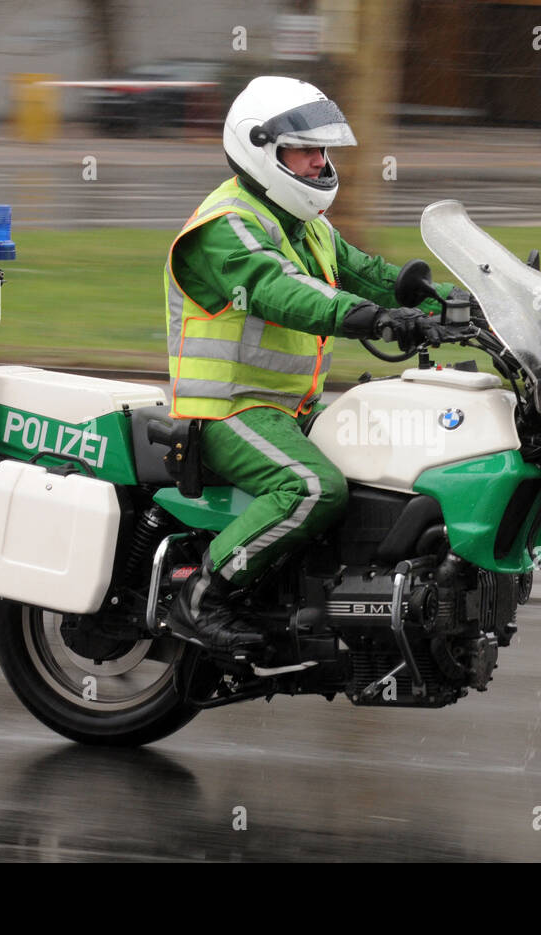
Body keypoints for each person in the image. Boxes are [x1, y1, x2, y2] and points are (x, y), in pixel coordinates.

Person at [164, 76, 453, 654]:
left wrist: (454, 304)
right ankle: (203, 593)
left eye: (323, 151)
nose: (320, 164)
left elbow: (372, 275)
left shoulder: (307, 226)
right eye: (305, 151)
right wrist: (372, 318)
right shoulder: (225, 226)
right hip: (229, 411)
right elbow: (283, 291)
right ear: (260, 148)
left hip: (292, 409)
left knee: (395, 454)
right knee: (310, 488)